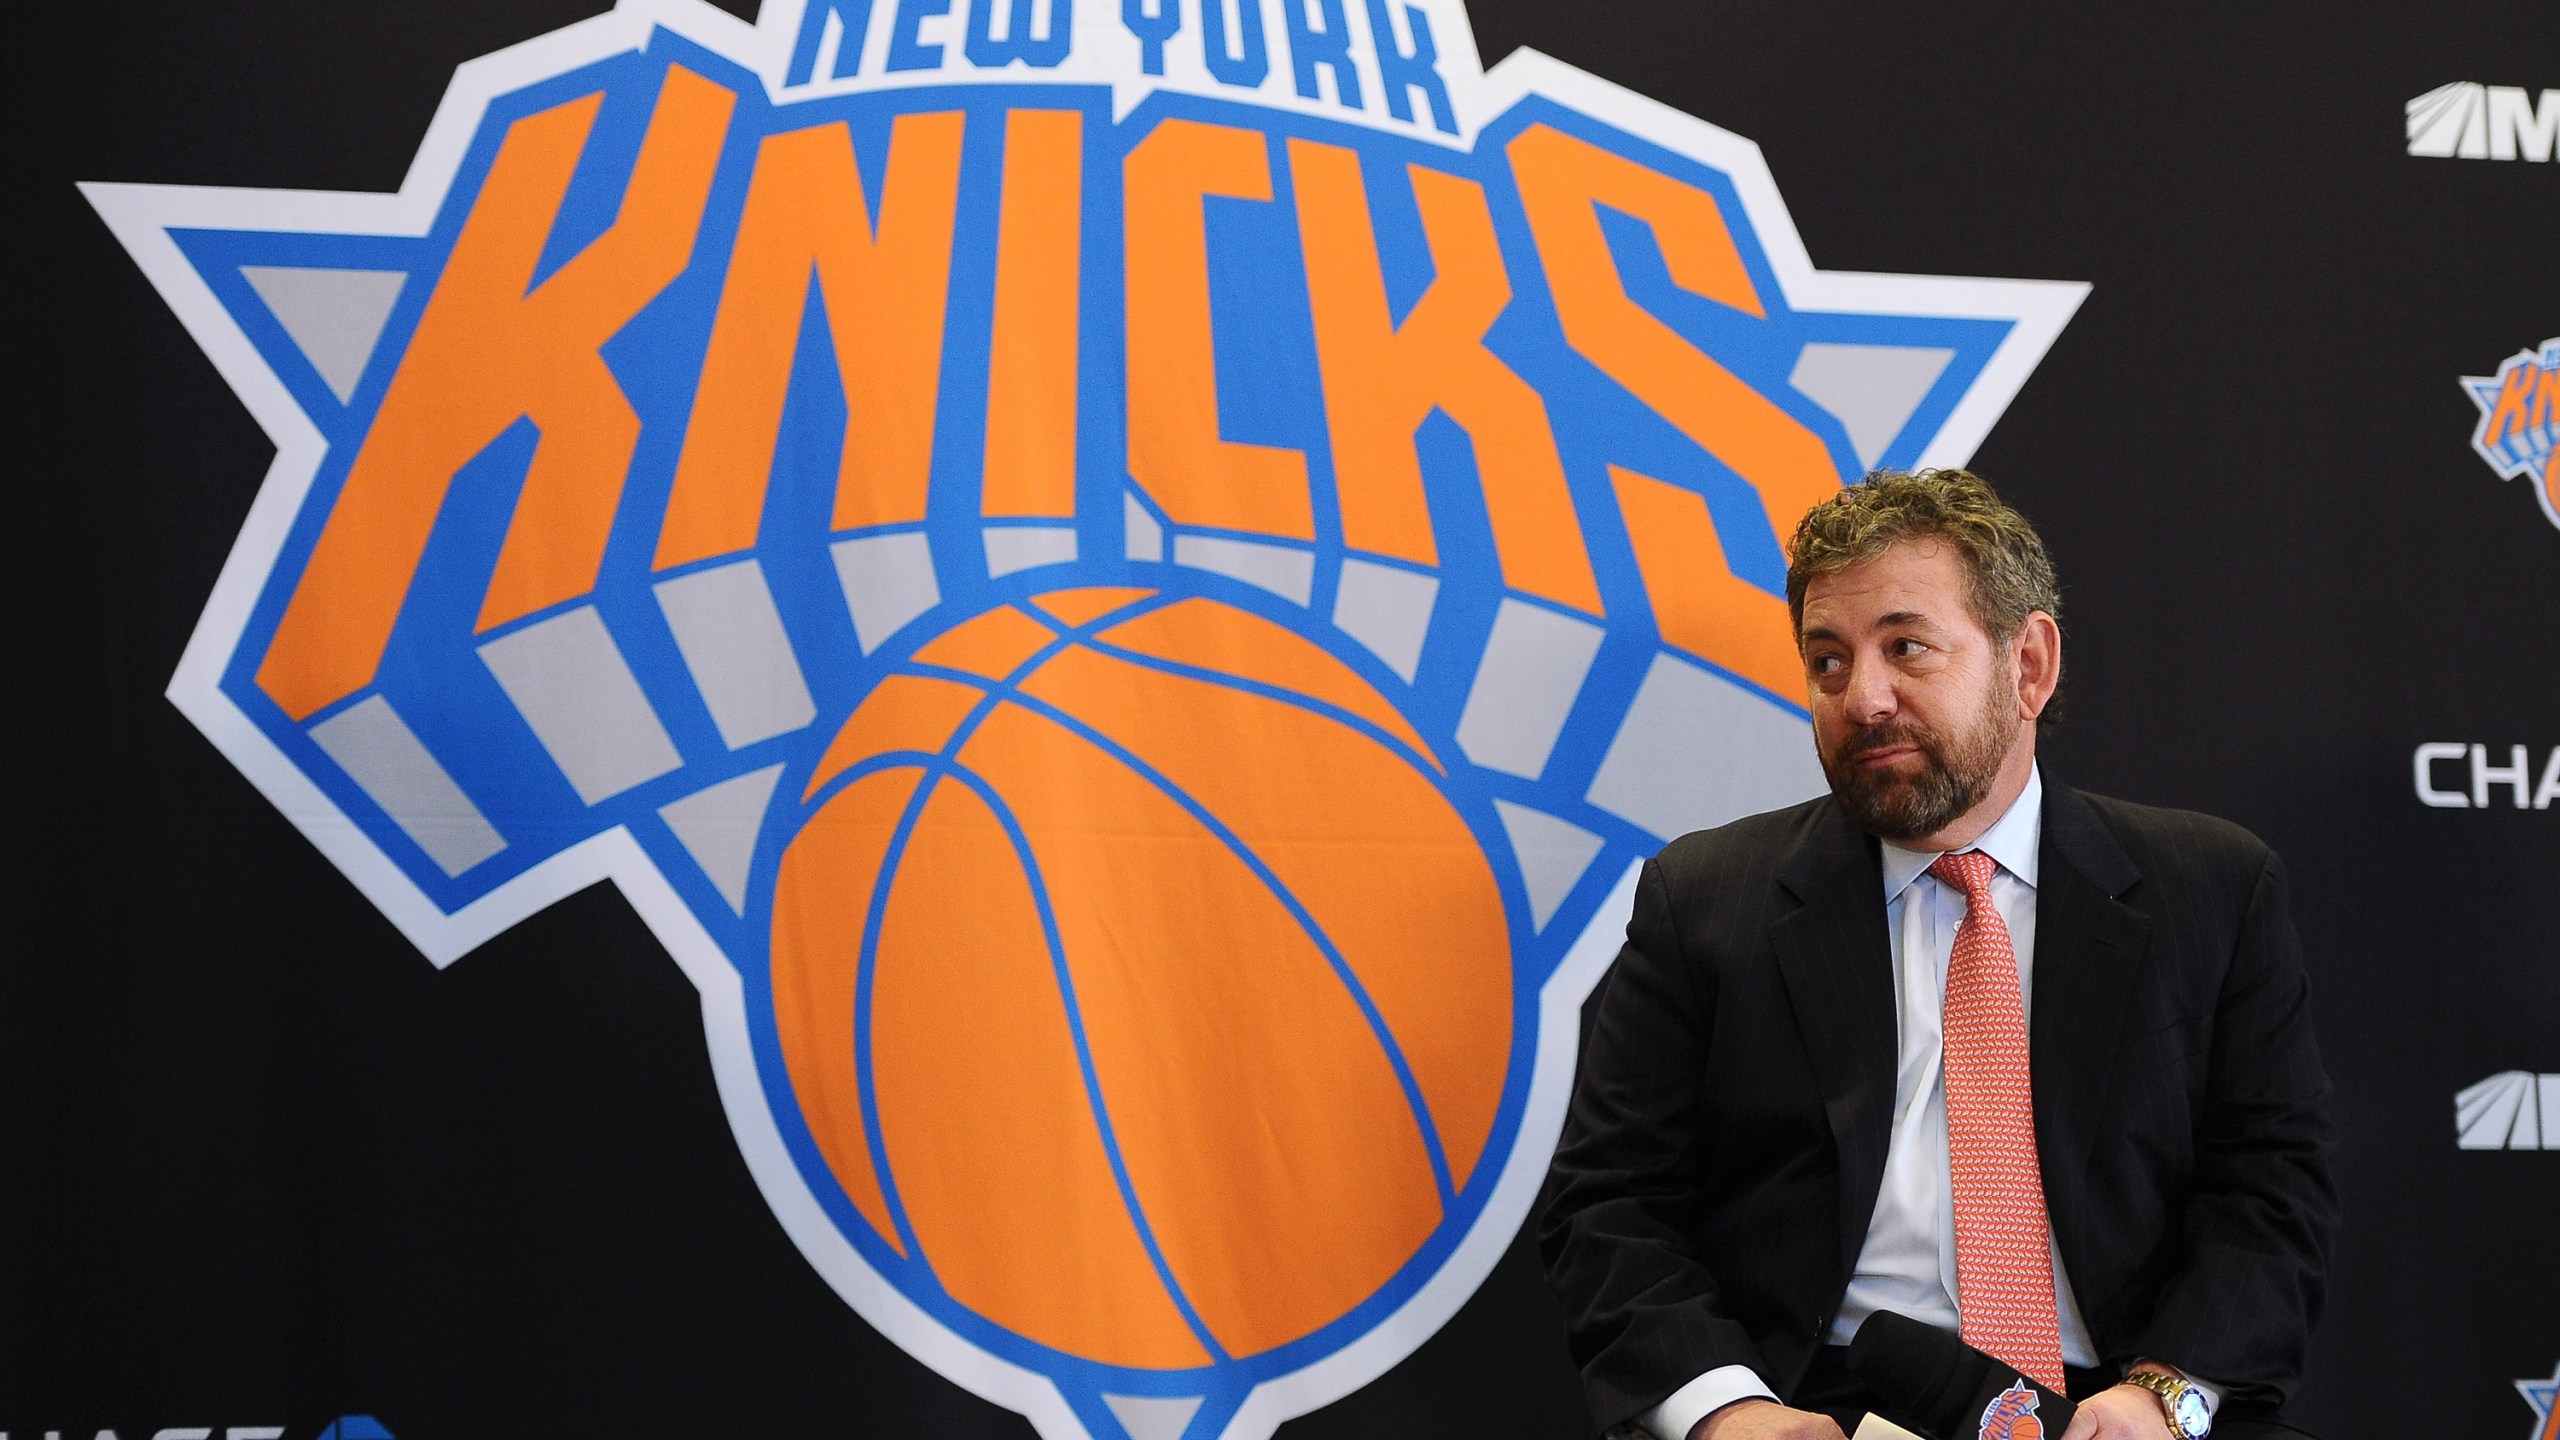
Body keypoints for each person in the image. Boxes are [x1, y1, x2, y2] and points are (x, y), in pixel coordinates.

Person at [1540, 470, 2336, 1440]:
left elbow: (2270, 1194)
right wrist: (1728, 1412)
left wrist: (2165, 1395)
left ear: (2028, 665)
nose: (1862, 698)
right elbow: (1610, 1210)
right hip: (1814, 1404)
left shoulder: (2209, 891)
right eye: (1826, 662)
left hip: (2122, 1402)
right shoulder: (1704, 902)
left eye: (1905, 647)